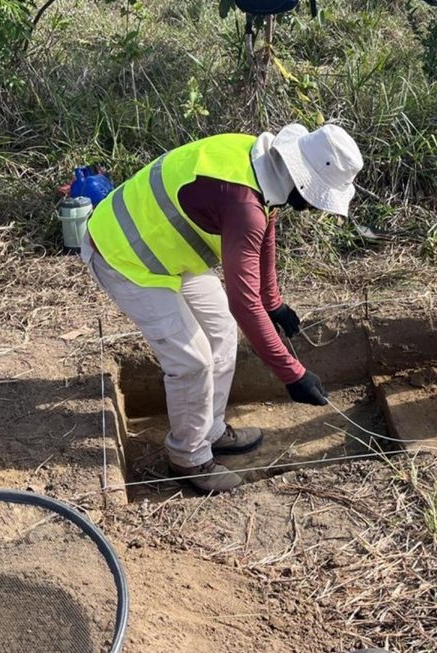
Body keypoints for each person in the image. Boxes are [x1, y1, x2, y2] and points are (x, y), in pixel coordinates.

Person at [82, 123, 364, 492]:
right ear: (302, 180)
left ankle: (210, 429)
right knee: (192, 362)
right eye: (317, 197)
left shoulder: (261, 164)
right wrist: (292, 374)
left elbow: (265, 235)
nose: (314, 207)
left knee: (221, 330)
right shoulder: (244, 203)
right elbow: (244, 303)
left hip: (167, 248)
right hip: (124, 253)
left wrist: (274, 302)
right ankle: (188, 457)